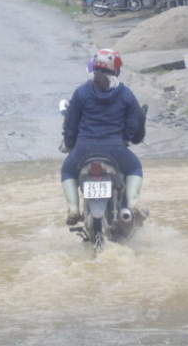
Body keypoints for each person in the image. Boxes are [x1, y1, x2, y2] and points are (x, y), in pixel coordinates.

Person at [59, 48, 146, 226]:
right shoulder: (125, 94)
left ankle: (74, 209)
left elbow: (70, 125)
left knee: (67, 171)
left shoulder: (81, 92)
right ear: (117, 70)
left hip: (83, 150)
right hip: (116, 150)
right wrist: (126, 139)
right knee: (135, 167)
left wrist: (70, 144)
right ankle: (133, 203)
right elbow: (132, 125)